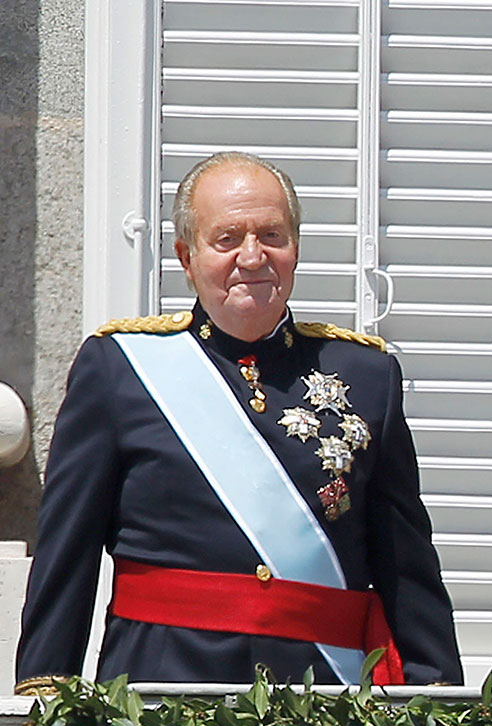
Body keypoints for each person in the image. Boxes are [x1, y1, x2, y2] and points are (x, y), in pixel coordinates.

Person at [16, 151, 462, 692]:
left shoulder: (366, 376)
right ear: (186, 256)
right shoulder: (120, 369)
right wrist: (46, 687)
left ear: (295, 248)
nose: (253, 257)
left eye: (272, 235)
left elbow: (406, 563)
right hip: (161, 693)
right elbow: (68, 551)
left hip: (324, 701)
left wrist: (437, 694)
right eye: (227, 239)